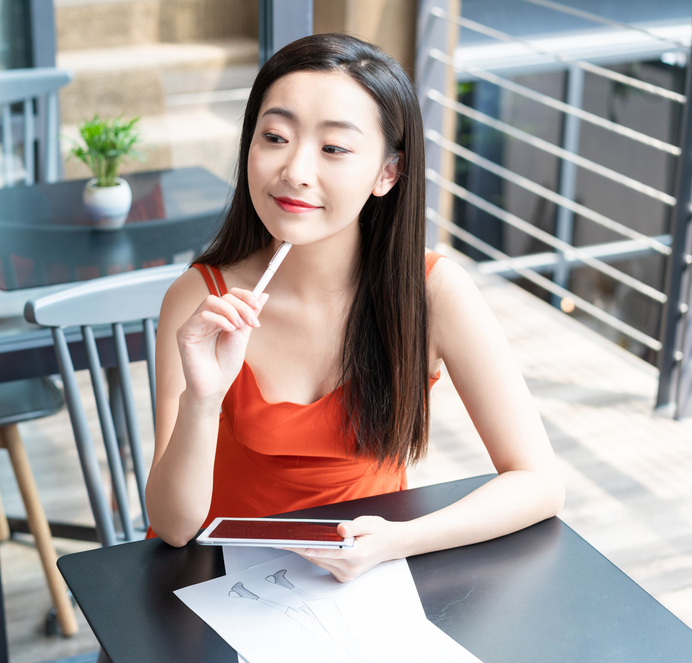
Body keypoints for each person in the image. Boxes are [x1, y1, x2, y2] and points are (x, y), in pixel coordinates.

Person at [144, 33, 565, 582]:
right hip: (218, 578)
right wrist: (202, 401)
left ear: (388, 173)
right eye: (275, 136)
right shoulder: (201, 299)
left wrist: (397, 541)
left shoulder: (434, 293)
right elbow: (174, 527)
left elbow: (538, 482)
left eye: (334, 148)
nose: (294, 169)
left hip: (368, 573)